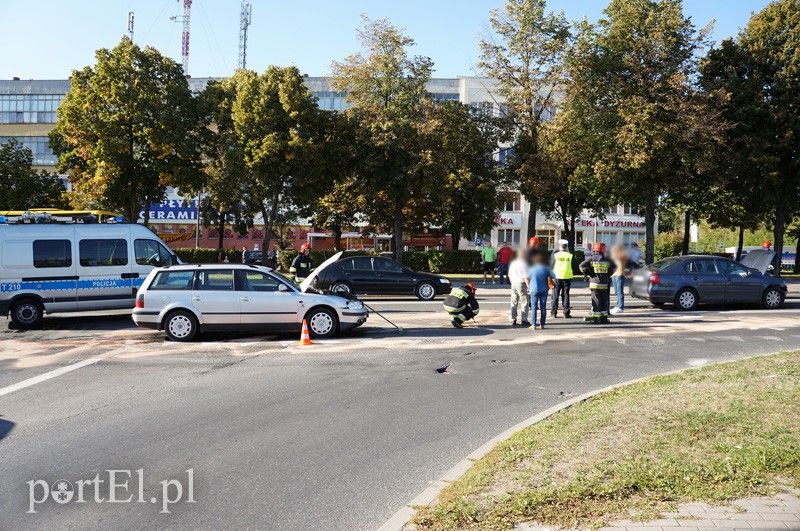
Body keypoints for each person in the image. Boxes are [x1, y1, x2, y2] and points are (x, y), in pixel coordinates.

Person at [580, 242, 615, 324]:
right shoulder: (607, 260)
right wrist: (607, 275)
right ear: (603, 249)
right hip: (604, 284)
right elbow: (613, 269)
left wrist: (589, 273)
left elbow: (581, 266)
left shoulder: (591, 259)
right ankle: (604, 319)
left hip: (594, 284)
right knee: (604, 302)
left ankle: (597, 320)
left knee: (596, 302)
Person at [527, 253, 556, 330]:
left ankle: (533, 325)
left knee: (534, 307)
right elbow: (553, 276)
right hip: (544, 289)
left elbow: (527, 277)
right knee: (543, 308)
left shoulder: (531, 268)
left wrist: (528, 287)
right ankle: (542, 324)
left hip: (534, 289)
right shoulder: (546, 268)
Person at [550, 239, 574, 318]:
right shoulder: (570, 255)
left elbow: (551, 265)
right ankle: (566, 313)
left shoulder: (555, 255)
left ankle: (554, 313)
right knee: (566, 295)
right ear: (566, 246)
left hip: (557, 277)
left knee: (555, 295)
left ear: (560, 246)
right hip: (567, 277)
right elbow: (574, 266)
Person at [508, 248, 531, 327]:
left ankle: (513, 319)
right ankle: (524, 319)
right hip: (521, 283)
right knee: (524, 302)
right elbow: (526, 277)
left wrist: (512, 282)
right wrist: (529, 287)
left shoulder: (513, 263)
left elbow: (509, 275)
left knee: (514, 302)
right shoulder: (524, 264)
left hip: (513, 283)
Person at [610, 244, 632, 314]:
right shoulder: (615, 256)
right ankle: (617, 305)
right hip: (614, 275)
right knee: (616, 292)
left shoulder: (622, 255)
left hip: (620, 274)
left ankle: (620, 306)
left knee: (619, 292)